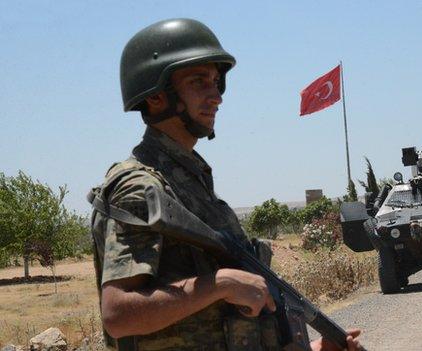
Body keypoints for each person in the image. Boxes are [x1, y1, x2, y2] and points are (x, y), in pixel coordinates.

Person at [89, 18, 362, 351]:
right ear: (157, 96)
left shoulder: (192, 184)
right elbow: (119, 316)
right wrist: (220, 284)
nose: (216, 96)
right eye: (199, 81)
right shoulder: (139, 189)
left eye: (217, 82)